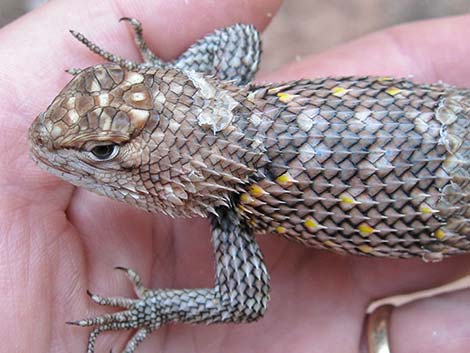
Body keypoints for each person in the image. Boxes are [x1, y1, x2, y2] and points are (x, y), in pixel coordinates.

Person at [1, 0, 469, 352]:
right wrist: (177, 81)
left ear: (165, 178)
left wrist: (154, 307)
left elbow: (243, 302)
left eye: (103, 152)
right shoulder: (230, 173)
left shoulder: (232, 209)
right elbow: (240, 37)